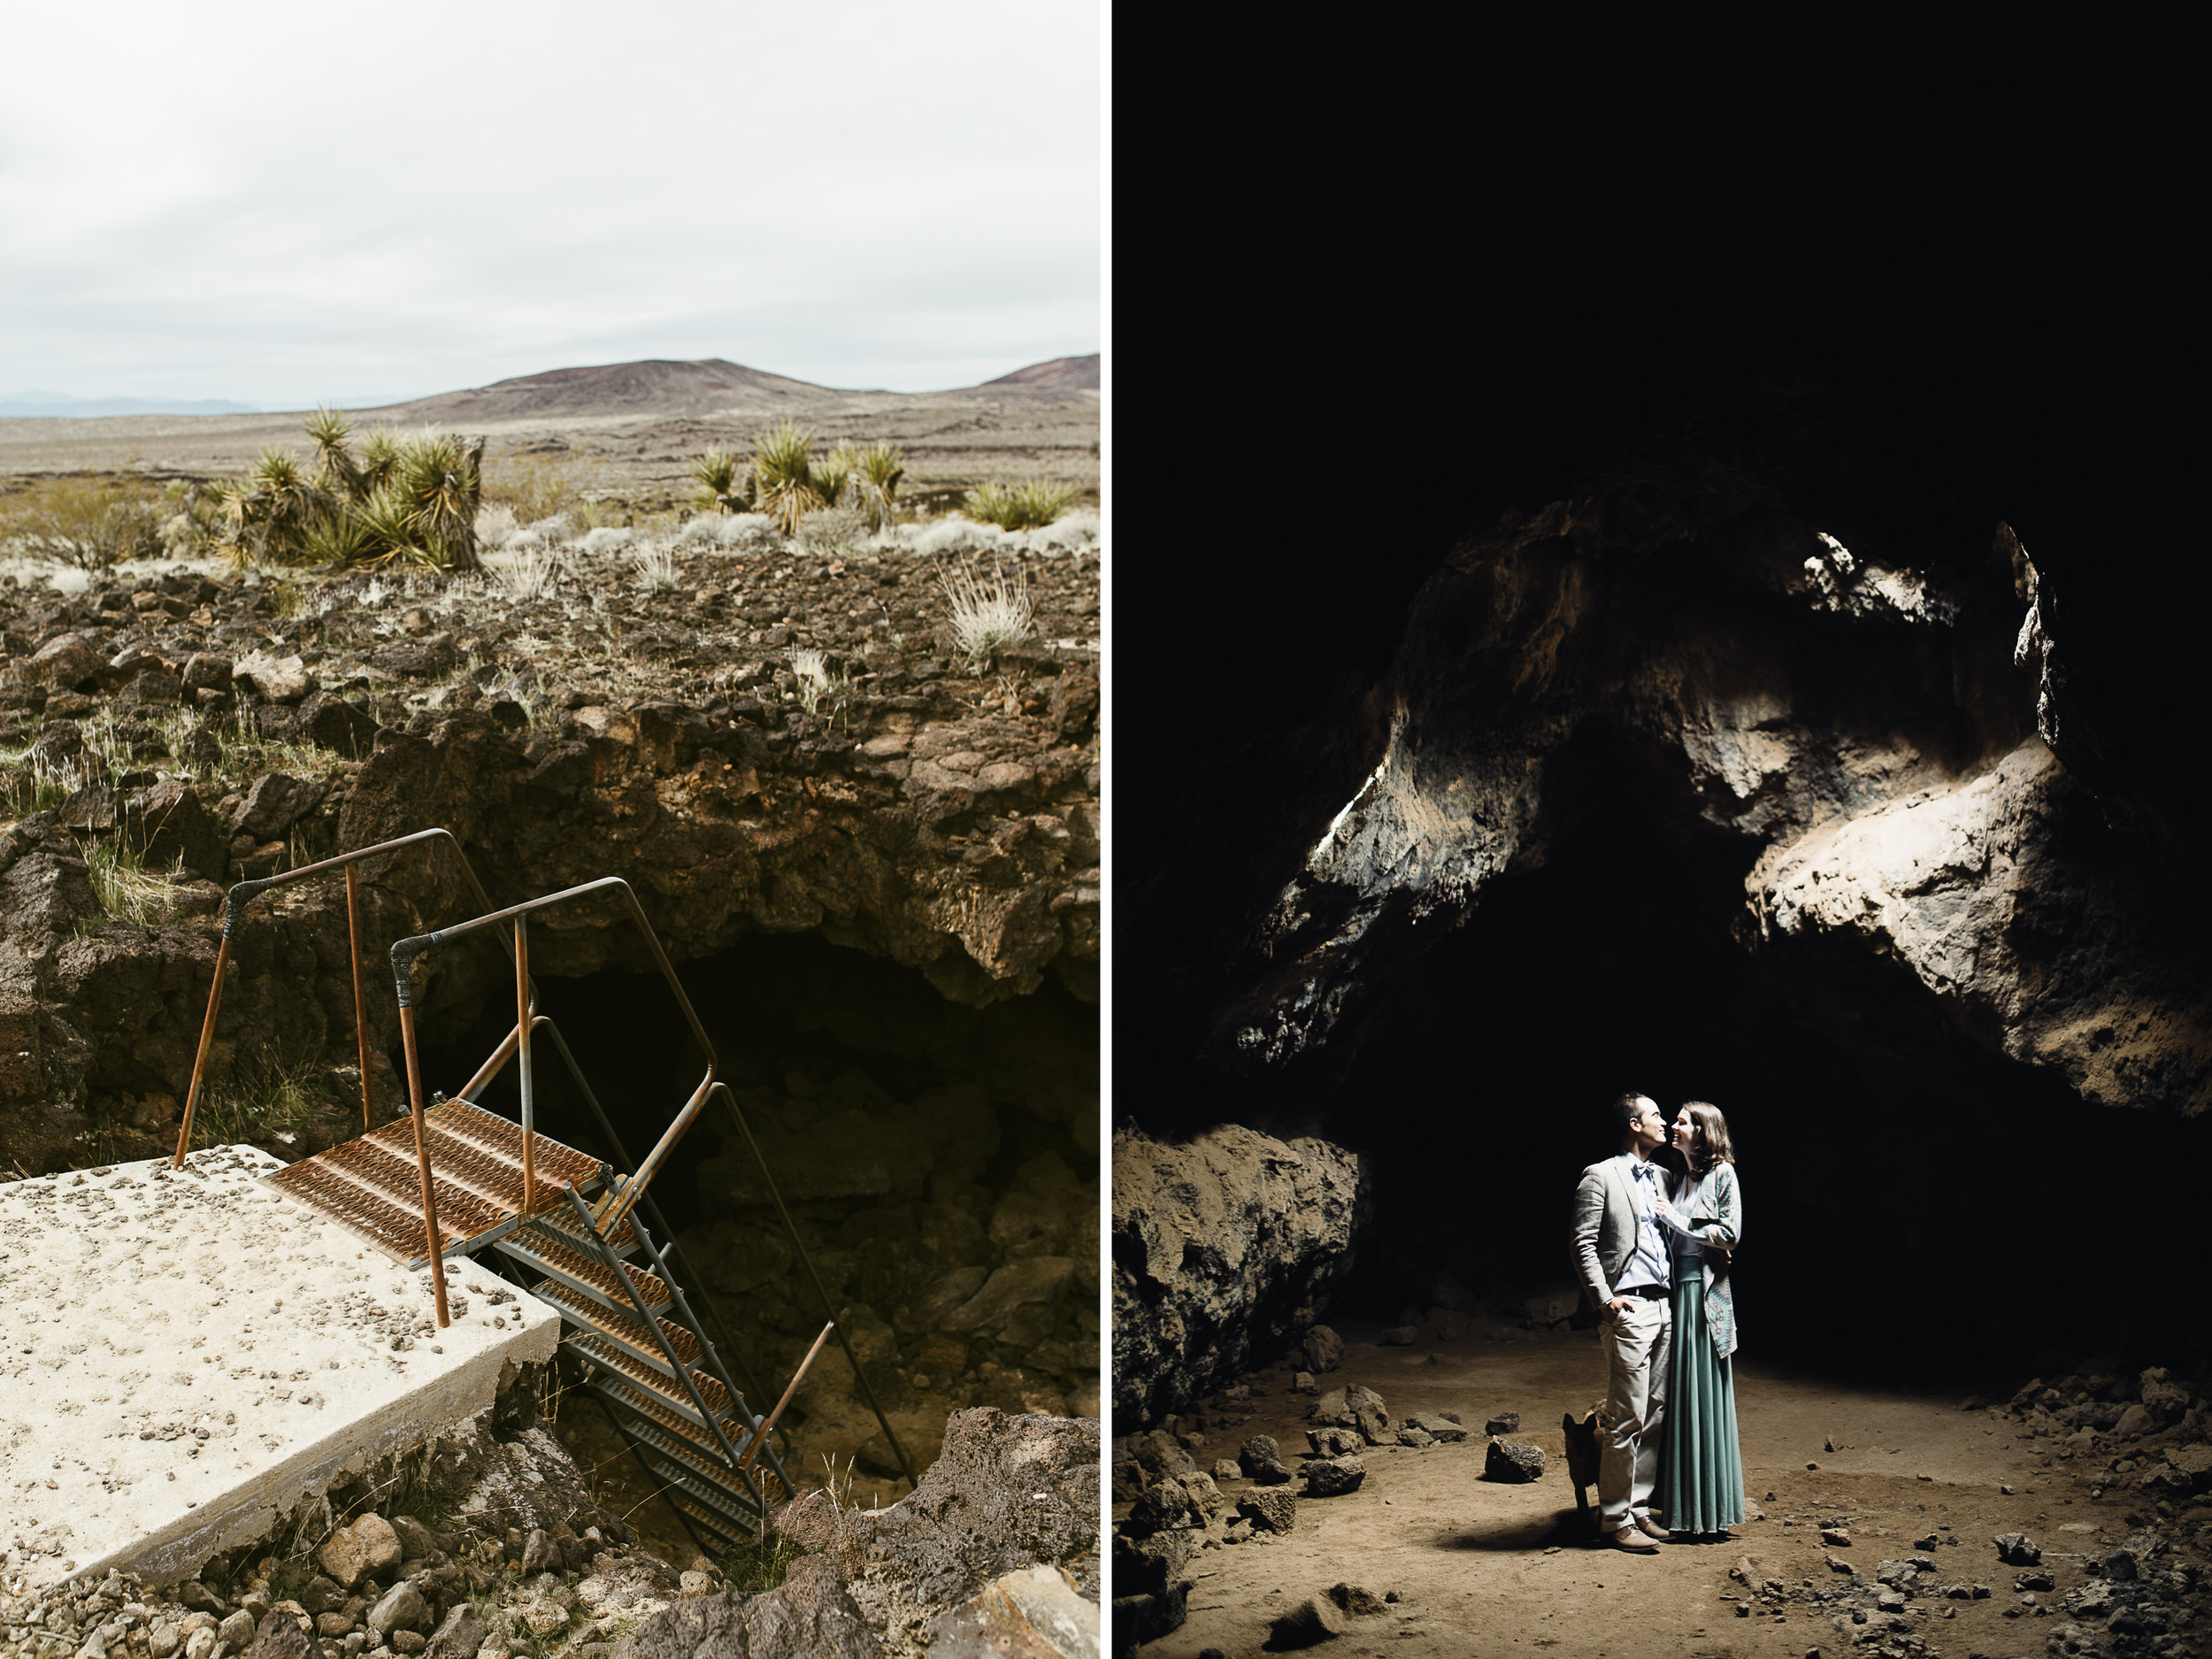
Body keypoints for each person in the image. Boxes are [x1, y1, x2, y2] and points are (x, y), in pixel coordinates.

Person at [1569, 1092, 1675, 1554]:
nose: (1664, 1121)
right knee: (1627, 1416)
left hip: (1665, 1306)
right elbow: (1582, 1242)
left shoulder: (1666, 1178)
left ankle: (1640, 1508)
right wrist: (1606, 1300)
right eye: (1655, 1115)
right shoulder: (1601, 1175)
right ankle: (1613, 1519)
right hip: (1628, 1308)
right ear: (1634, 1124)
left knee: (1654, 1413)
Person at [1650, 1101, 1745, 1538]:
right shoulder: (1677, 1177)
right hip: (1674, 1290)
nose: (1674, 1124)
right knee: (1677, 1395)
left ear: (1704, 1131)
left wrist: (1674, 1218)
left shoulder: (1722, 1174)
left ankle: (1707, 1510)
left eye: (1683, 1120)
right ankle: (1677, 1504)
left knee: (1700, 1394)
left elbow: (1730, 1233)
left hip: (1701, 1294)